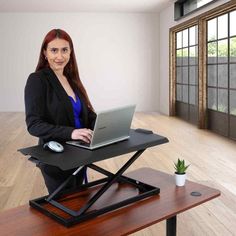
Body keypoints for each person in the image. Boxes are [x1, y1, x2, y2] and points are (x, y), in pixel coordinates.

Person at [24, 29, 96, 194]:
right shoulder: (37, 80)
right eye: (54, 50)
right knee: (65, 208)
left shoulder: (72, 79)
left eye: (64, 50)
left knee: (82, 203)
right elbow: (34, 125)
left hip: (81, 151)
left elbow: (87, 114)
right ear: (45, 53)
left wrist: (106, 126)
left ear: (71, 52)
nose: (60, 56)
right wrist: (72, 133)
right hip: (57, 158)